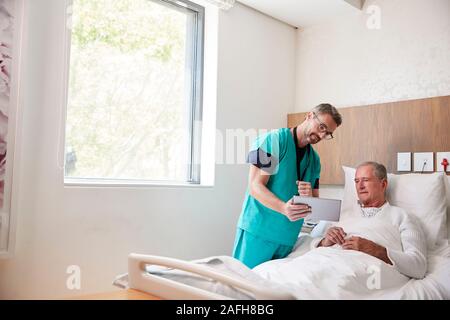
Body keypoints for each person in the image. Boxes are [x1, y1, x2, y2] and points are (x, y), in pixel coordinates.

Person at [232, 103, 343, 268]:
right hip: (257, 232)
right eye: (321, 127)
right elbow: (255, 186)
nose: (321, 134)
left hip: (287, 239)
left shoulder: (315, 161)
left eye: (327, 133)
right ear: (309, 115)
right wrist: (284, 208)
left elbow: (315, 207)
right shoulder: (272, 141)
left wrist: (309, 197)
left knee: (271, 291)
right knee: (242, 287)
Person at [316, 161, 427, 279]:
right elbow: (315, 245)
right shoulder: (344, 213)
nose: (360, 186)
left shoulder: (402, 216)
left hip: (362, 271)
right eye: (357, 181)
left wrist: (375, 250)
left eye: (366, 180)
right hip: (322, 262)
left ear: (383, 184)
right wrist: (324, 242)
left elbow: (418, 266)